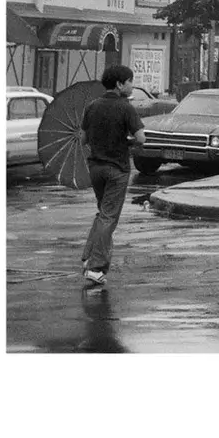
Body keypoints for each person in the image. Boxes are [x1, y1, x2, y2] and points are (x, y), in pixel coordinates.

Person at [79, 64, 146, 287]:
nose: (132, 85)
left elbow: (82, 139)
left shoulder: (92, 106)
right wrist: (128, 140)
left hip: (96, 168)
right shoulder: (126, 107)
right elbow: (141, 138)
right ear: (119, 84)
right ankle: (96, 268)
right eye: (130, 81)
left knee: (103, 214)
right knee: (109, 217)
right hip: (117, 169)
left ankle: (89, 256)